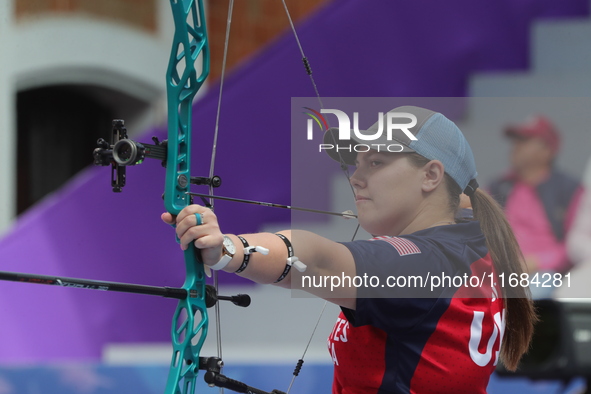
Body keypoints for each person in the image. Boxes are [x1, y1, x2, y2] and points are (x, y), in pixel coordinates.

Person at [162, 106, 536, 393]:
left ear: (431, 176)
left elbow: (317, 258)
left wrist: (229, 250)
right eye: (357, 163)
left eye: (376, 162)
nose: (355, 177)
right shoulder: (472, 243)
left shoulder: (422, 263)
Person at [489, 116, 583, 280]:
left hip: (545, 273)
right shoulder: (498, 187)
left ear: (547, 151)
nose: (515, 146)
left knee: (533, 292)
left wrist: (536, 262)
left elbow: (578, 243)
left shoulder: (570, 190)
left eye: (524, 140)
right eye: (515, 140)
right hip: (500, 271)